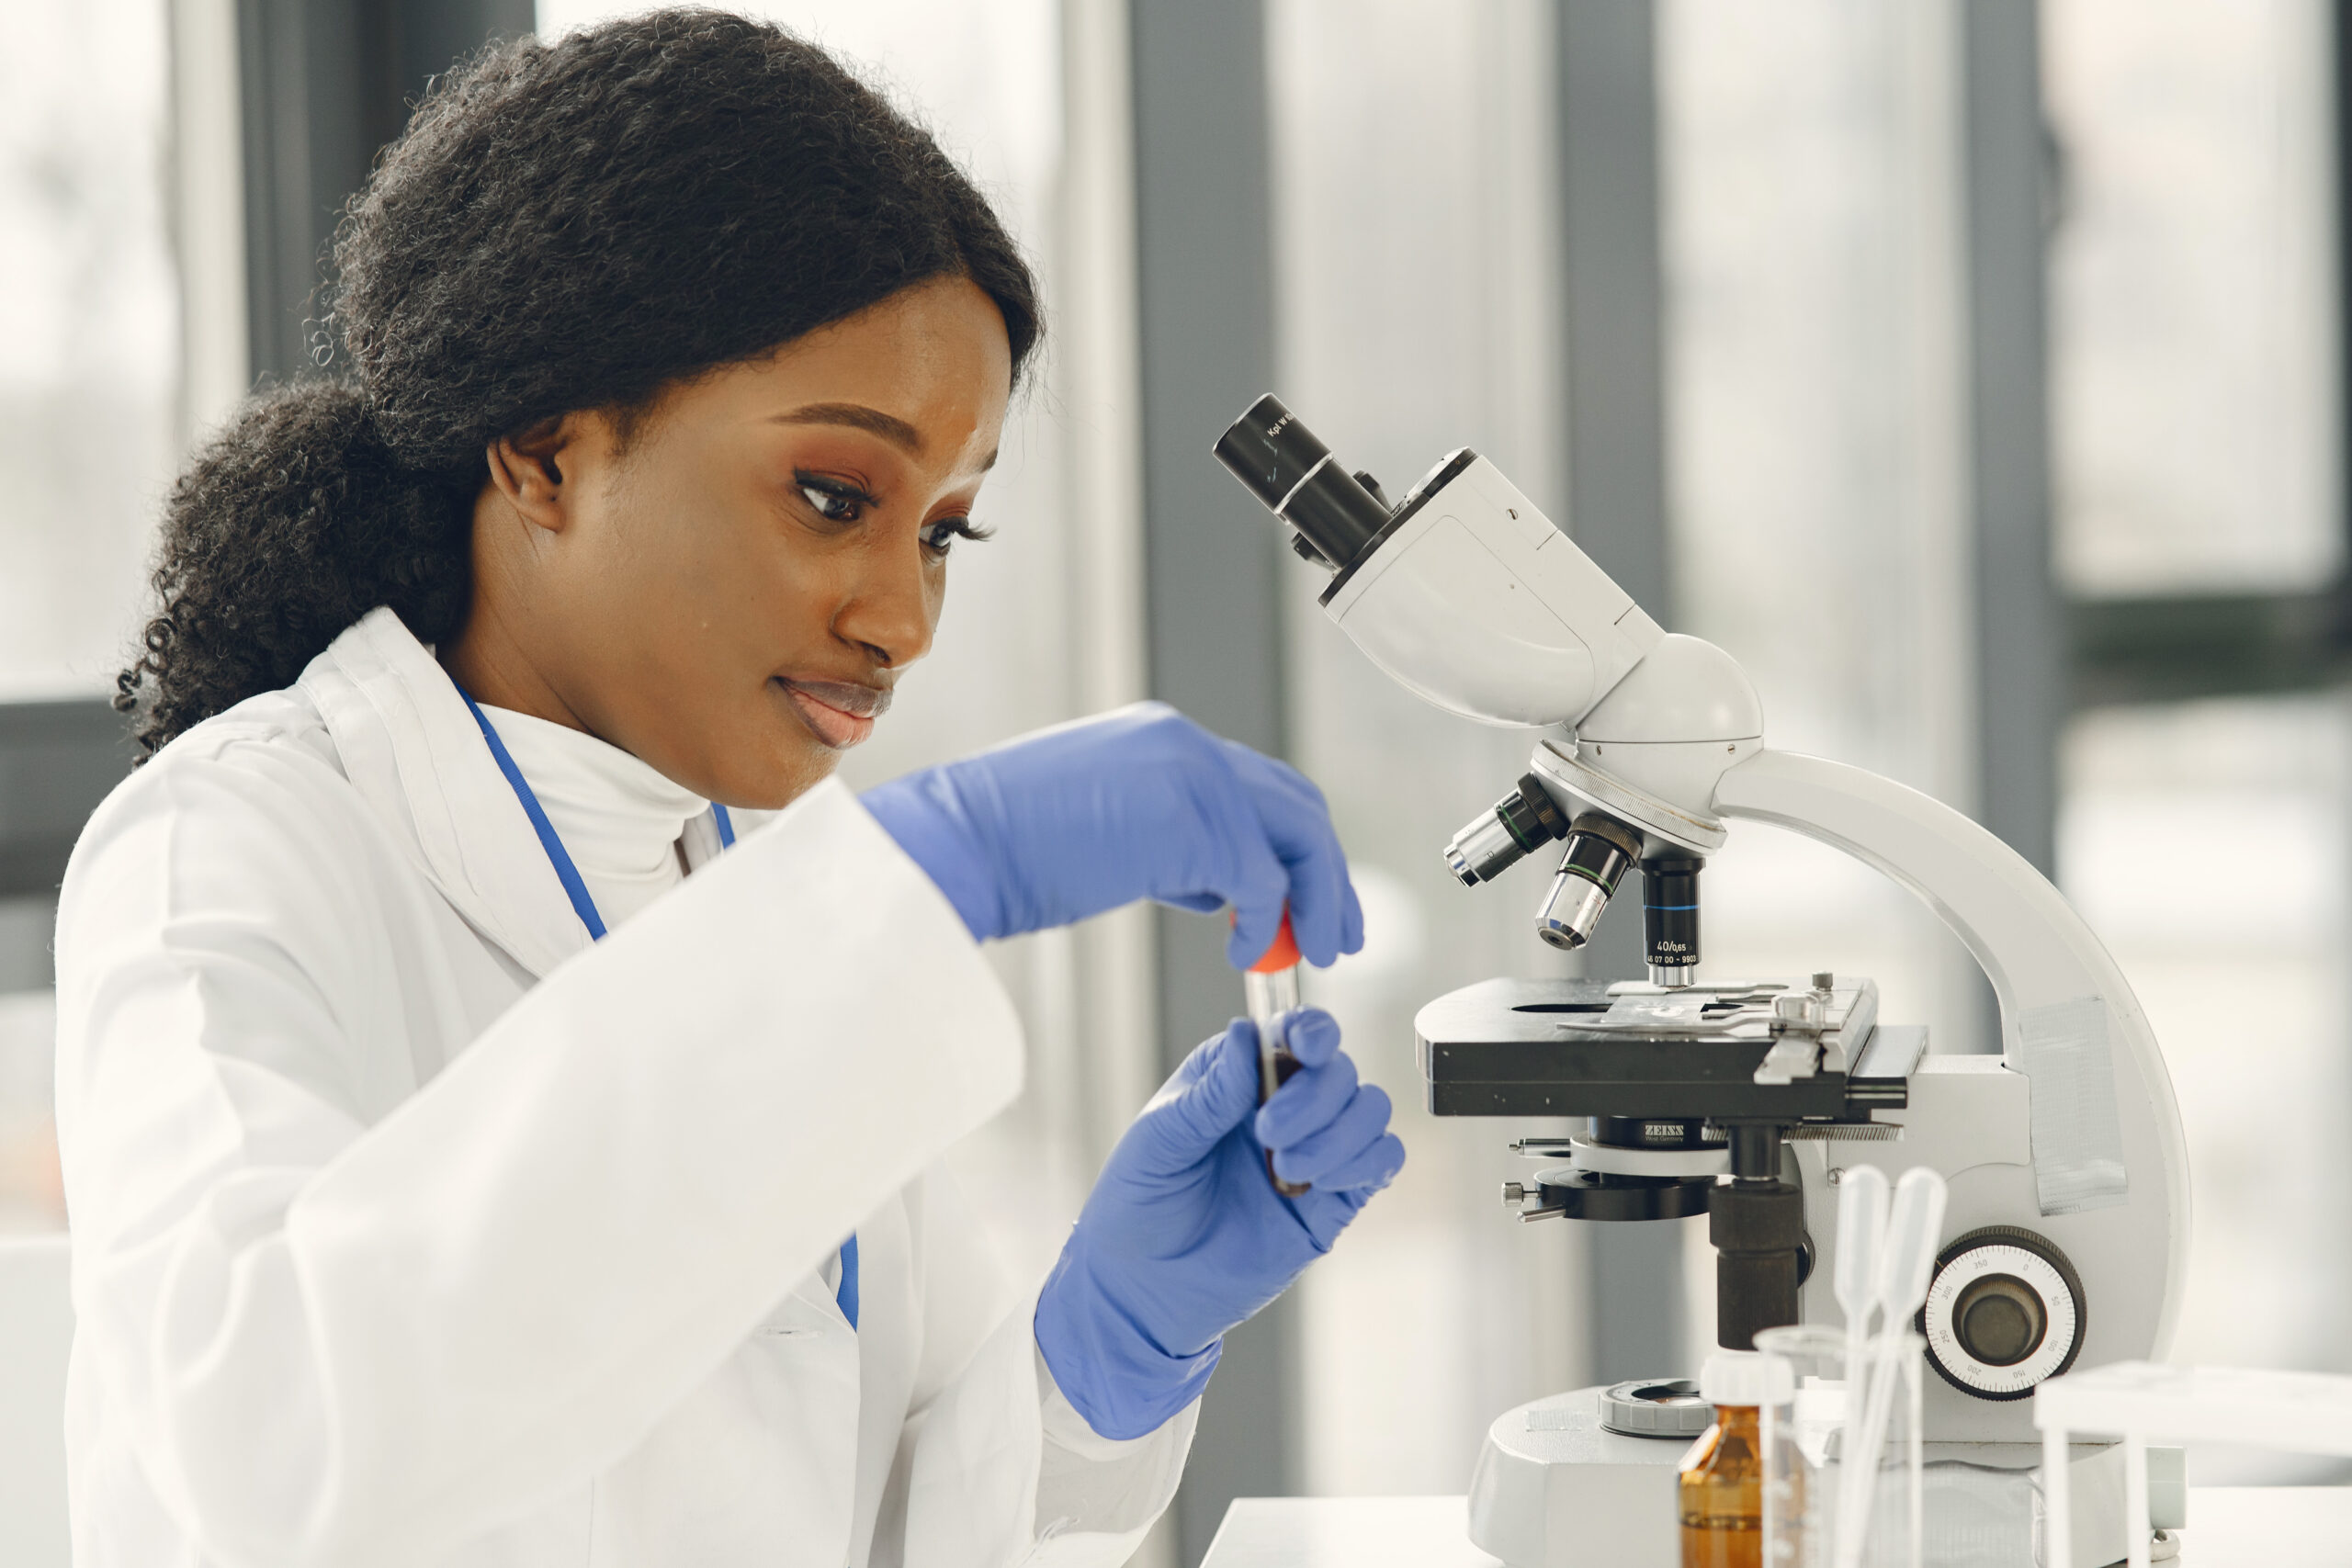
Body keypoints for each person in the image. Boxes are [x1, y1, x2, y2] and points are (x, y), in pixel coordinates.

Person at [53, 15, 1403, 1567]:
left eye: (944, 532)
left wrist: (1110, 1348)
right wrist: (930, 872)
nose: (902, 618)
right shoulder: (231, 846)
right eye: (836, 496)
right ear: (543, 450)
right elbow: (271, 1441)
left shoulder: (739, 879)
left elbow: (873, 1525)